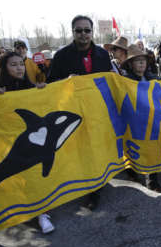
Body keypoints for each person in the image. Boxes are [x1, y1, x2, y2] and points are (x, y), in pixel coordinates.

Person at [47, 15, 112, 210]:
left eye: (87, 30)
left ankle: (96, 187)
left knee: (97, 147)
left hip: (97, 110)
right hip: (73, 112)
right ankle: (84, 183)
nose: (83, 34)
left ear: (92, 32)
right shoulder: (61, 56)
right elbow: (50, 84)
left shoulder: (102, 54)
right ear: (72, 32)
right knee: (80, 148)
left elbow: (110, 80)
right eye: (79, 30)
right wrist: (65, 81)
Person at [0, 51, 53, 233]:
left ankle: (42, 214)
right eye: (13, 65)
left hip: (30, 147)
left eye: (21, 63)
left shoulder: (32, 89)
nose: (19, 68)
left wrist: (45, 91)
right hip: (6, 146)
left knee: (33, 179)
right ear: (4, 68)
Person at [120, 45, 161, 191]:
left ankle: (152, 179)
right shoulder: (124, 80)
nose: (141, 63)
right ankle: (131, 170)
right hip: (134, 120)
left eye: (144, 60)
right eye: (138, 60)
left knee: (152, 146)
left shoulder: (152, 77)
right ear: (131, 64)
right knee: (135, 147)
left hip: (151, 118)